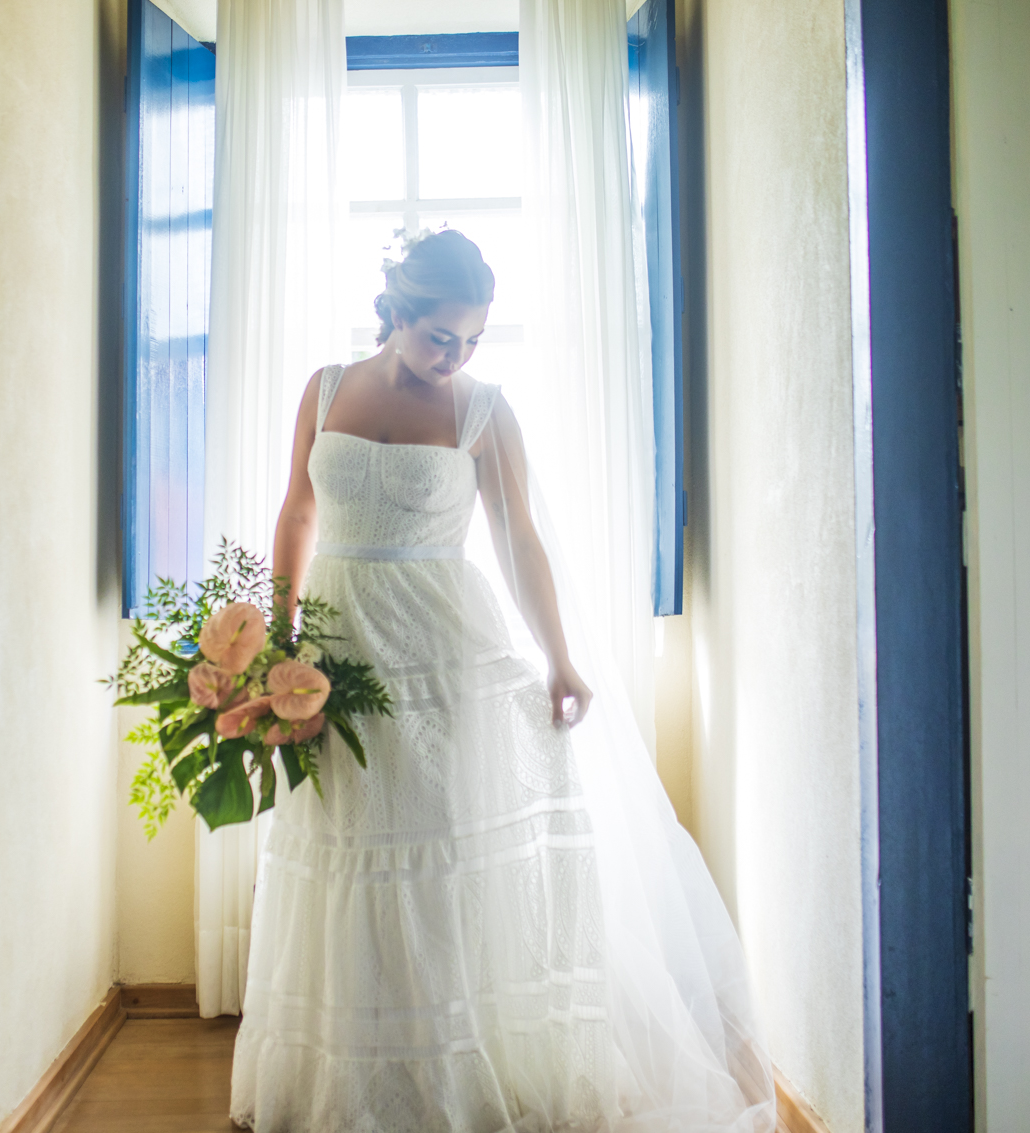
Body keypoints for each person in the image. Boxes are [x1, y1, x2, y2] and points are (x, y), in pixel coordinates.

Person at [229, 229, 776, 1132]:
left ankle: (459, 1084)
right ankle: (356, 1088)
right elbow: (297, 508)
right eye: (442, 336)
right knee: (346, 855)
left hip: (441, 653)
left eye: (474, 338)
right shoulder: (324, 388)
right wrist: (278, 641)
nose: (458, 355)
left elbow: (520, 541)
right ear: (396, 316)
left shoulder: (484, 410)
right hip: (336, 650)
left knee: (438, 862)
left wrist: (561, 656)